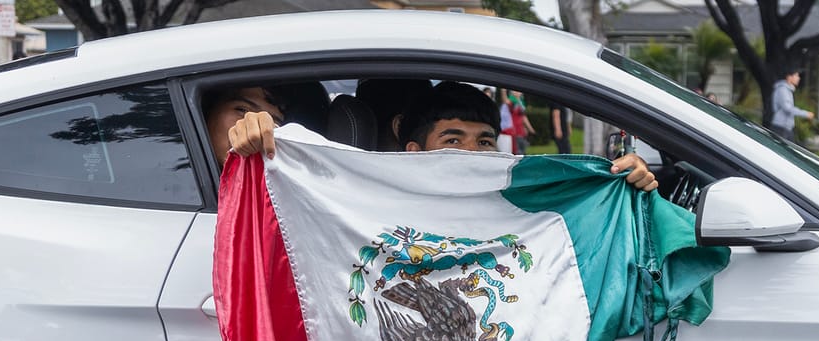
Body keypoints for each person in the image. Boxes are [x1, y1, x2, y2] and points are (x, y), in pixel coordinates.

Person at [216, 80, 657, 195]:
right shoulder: (361, 193)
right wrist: (255, 136)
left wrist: (618, 184)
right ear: (413, 152)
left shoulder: (510, 191)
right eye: (451, 140)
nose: (470, 154)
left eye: (484, 142)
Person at [769, 70, 812, 140]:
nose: (799, 78)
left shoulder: (788, 90)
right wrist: (806, 114)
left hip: (786, 128)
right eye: (796, 75)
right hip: (780, 127)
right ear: (789, 77)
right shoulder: (782, 89)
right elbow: (787, 108)